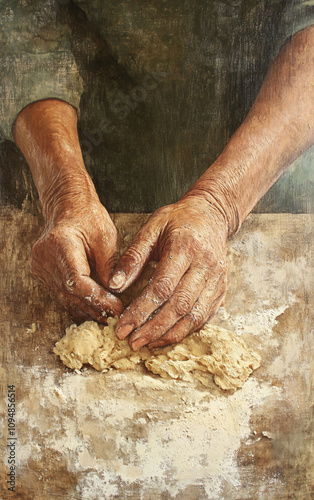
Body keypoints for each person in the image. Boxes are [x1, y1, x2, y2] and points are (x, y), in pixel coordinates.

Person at [2, 1, 313, 351]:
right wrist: (63, 189)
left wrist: (219, 201)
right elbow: (22, 28)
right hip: (88, 161)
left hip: (263, 177)